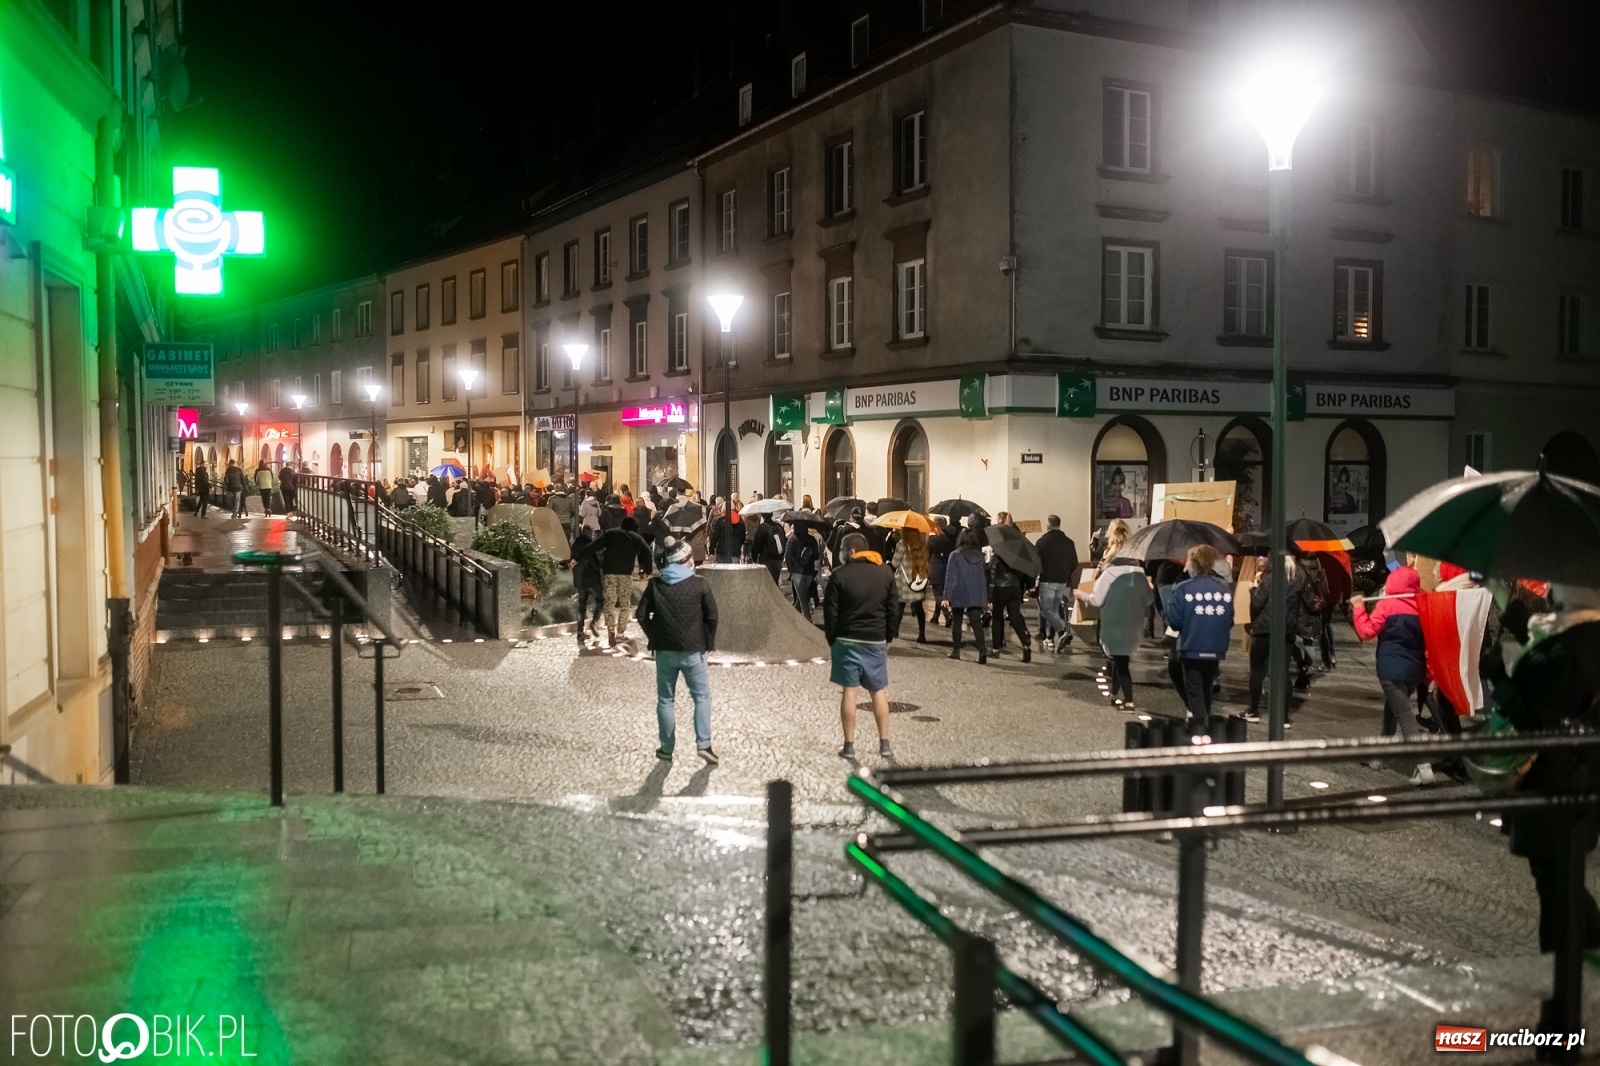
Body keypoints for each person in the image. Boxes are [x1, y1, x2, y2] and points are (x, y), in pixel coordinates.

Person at [1494, 583, 1600, 1029]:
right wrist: (1519, 619)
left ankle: (1559, 1025)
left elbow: (1535, 717)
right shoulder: (1582, 638)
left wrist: (1497, 677)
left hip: (1555, 786)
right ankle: (1559, 1017)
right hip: (1579, 784)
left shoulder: (1572, 647)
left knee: (1558, 897)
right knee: (1560, 889)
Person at [634, 536, 719, 764]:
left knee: (665, 700)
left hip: (665, 652)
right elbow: (712, 615)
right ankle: (704, 744)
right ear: (686, 560)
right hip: (694, 650)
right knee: (701, 697)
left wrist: (655, 636)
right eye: (690, 557)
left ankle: (666, 749)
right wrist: (708, 640)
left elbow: (641, 615)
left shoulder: (656, 585)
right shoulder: (699, 584)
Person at [1351, 564, 1435, 784]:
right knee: (1392, 710)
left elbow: (1366, 631)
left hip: (1391, 670)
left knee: (1405, 717)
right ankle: (1379, 758)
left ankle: (1424, 768)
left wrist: (1358, 608)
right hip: (1414, 672)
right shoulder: (1422, 606)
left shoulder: (1387, 605)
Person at [824, 532, 898, 759]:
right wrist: (888, 635)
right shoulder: (885, 573)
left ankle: (849, 745)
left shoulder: (839, 575)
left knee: (849, 692)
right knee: (878, 691)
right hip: (875, 638)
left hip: (847, 639)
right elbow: (893, 609)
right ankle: (884, 743)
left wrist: (832, 638)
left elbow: (831, 613)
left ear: (852, 552)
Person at [1164, 544, 1235, 729]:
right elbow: (1229, 619)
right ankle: (1206, 723)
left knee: (1195, 691)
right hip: (1216, 647)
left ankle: (1202, 728)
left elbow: (1175, 622)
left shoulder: (1184, 588)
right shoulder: (1223, 588)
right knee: (1206, 687)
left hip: (1191, 646)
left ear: (1193, 563)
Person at [1076, 548, 1152, 711]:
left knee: (1121, 662)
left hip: (1113, 622)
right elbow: (1148, 600)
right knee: (1120, 658)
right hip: (1135, 623)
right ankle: (1114, 693)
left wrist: (1080, 594)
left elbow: (1096, 600)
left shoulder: (1109, 575)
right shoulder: (1140, 576)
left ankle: (1129, 701)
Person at [1246, 556, 1311, 724]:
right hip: (1286, 631)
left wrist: (1253, 589)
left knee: (1257, 669)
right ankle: (1284, 717)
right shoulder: (1296, 579)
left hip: (1264, 630)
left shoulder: (1268, 578)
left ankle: (1253, 711)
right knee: (1283, 673)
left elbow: (1257, 603)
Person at [577, 517, 653, 648]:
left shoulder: (610, 534)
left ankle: (610, 631)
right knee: (624, 605)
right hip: (625, 575)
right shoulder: (635, 537)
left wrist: (579, 558)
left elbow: (593, 546)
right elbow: (647, 552)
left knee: (609, 603)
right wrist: (647, 570)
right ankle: (620, 634)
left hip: (609, 574)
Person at [942, 526, 990, 663]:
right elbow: (984, 577)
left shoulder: (955, 555)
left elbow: (949, 576)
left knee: (957, 621)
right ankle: (982, 651)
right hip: (976, 592)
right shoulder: (981, 556)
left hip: (959, 591)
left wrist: (946, 596)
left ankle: (956, 651)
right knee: (976, 622)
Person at [1035, 515, 1080, 653]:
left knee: (1047, 609)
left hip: (1048, 580)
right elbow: (1074, 563)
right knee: (1055, 609)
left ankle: (1062, 632)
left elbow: (1037, 563)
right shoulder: (1069, 542)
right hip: (1064, 581)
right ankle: (1050, 636)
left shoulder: (1042, 542)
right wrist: (1066, 574)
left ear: (1048, 525)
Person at [988, 552, 1031, 662]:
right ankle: (1025, 645)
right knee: (1015, 617)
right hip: (1015, 588)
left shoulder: (996, 557)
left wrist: (989, 597)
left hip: (1000, 588)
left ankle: (995, 649)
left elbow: (992, 576)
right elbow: (1021, 575)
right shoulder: (1016, 557)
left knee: (997, 619)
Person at [890, 528, 930, 643]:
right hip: (917, 579)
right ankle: (922, 634)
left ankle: (895, 631)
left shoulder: (902, 544)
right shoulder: (922, 544)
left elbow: (895, 563)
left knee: (900, 606)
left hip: (904, 580)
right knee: (919, 607)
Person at [568, 528, 605, 645]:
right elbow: (594, 565)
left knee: (581, 606)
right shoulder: (589, 546)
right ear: (590, 534)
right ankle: (594, 622)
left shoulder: (574, 546)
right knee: (600, 600)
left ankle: (580, 632)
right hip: (591, 580)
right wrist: (602, 562)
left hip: (579, 581)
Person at [785, 523, 821, 621]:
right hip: (809, 571)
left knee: (802, 597)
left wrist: (790, 569)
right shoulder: (812, 539)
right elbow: (817, 556)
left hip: (797, 571)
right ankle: (792, 618)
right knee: (802, 595)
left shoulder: (792, 539)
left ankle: (808, 619)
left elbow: (787, 556)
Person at [927, 518, 954, 628]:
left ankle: (947, 614)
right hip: (946, 568)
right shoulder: (949, 539)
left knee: (938, 594)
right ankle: (935, 615)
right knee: (942, 591)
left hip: (935, 568)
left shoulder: (932, 539)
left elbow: (927, 555)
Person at [748, 513, 785, 584]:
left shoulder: (762, 528)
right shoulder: (778, 526)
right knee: (775, 582)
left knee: (767, 583)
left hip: (766, 559)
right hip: (777, 559)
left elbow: (756, 545)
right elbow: (783, 540)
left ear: (762, 516)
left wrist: (754, 558)